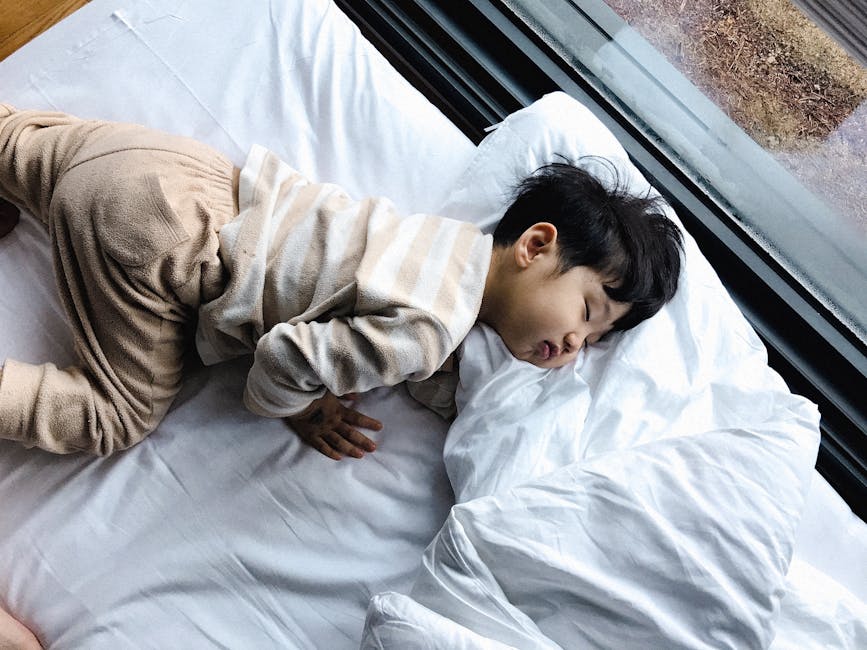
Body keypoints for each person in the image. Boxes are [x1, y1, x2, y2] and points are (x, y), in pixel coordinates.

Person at [0, 106, 683, 461]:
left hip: (178, 170)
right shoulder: (430, 328)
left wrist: (442, 386)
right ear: (536, 245)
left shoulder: (443, 243)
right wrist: (302, 409)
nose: (573, 342)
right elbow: (282, 357)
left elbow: (395, 328)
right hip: (164, 245)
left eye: (593, 340)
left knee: (19, 148)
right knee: (113, 419)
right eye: (586, 311)